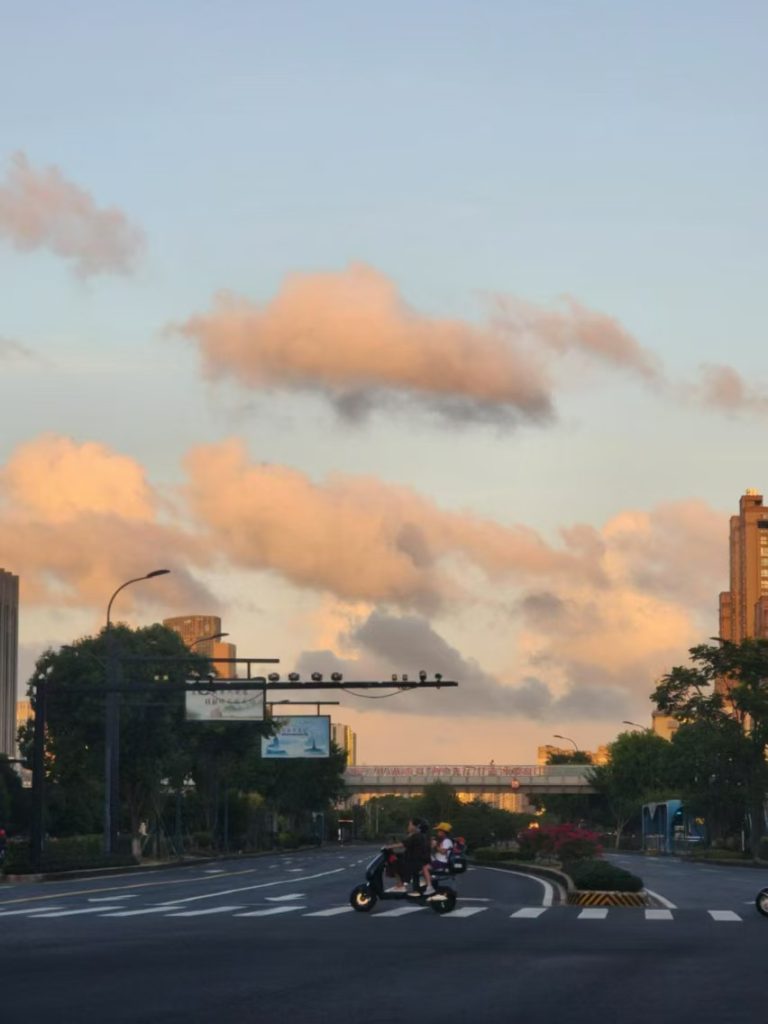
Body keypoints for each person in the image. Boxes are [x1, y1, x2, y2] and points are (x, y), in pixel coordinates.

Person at [386, 817, 434, 895]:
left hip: (414, 863)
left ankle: (400, 885)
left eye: (410, 824)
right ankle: (404, 885)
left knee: (393, 861)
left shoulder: (417, 836)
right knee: (397, 858)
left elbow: (403, 844)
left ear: (415, 826)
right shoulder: (420, 836)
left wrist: (388, 847)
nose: (408, 826)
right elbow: (406, 844)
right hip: (417, 861)